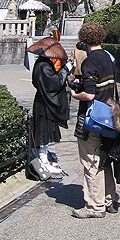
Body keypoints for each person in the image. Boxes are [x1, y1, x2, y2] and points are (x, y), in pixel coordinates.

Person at [70, 22, 120, 219]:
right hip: (109, 114)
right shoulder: (109, 57)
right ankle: (109, 198)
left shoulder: (89, 61)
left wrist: (75, 93)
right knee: (104, 159)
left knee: (91, 160)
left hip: (93, 117)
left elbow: (89, 95)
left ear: (84, 40)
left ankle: (94, 206)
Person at [29, 30, 72, 175]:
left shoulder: (42, 64)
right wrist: (65, 70)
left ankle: (44, 157)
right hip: (44, 104)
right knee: (43, 132)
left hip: (42, 101)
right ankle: (43, 160)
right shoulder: (43, 66)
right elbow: (54, 83)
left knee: (45, 132)